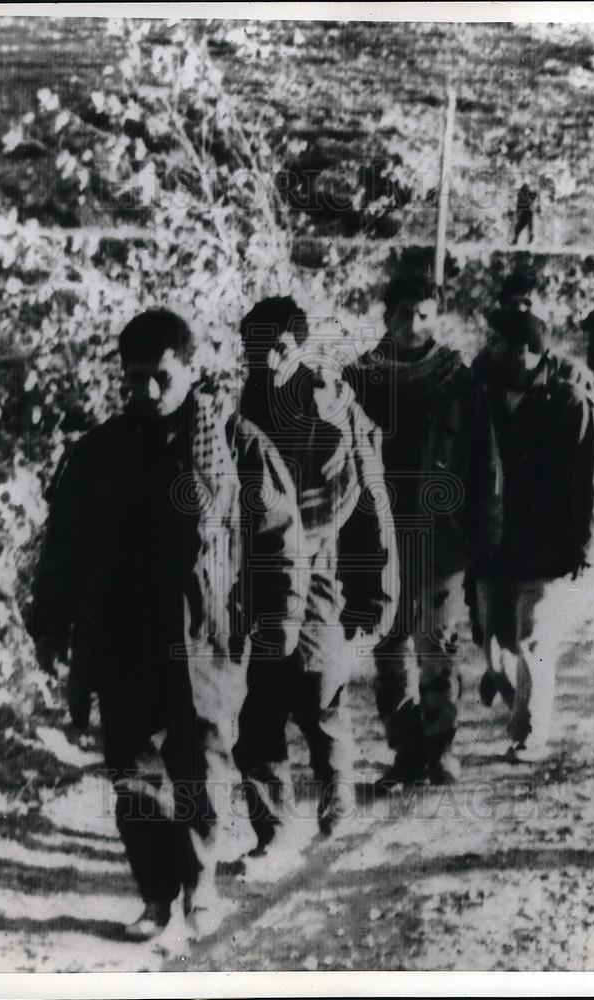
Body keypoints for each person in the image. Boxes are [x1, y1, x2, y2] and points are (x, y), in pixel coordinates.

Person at [26, 309, 304, 940]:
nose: (147, 392)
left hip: (205, 639)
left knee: (203, 773)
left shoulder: (236, 446)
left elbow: (281, 538)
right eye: (135, 380)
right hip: (123, 639)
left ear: (191, 369)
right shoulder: (99, 452)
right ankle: (156, 895)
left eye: (161, 378)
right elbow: (63, 546)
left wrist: (282, 620)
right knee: (133, 777)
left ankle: (201, 888)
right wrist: (49, 625)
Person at [233, 297, 397, 848]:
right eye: (258, 351)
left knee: (320, 698)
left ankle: (336, 800)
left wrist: (375, 590)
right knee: (256, 710)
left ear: (299, 345)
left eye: (279, 348)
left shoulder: (328, 405)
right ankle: (272, 831)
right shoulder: (252, 395)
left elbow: (361, 499)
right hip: (259, 573)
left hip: (319, 571)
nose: (270, 360)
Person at [344, 272, 503, 788]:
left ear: (437, 317)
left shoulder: (459, 380)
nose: (413, 325)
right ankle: (406, 750)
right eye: (403, 313)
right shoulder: (358, 380)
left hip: (440, 538)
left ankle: (441, 746)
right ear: (385, 316)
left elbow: (484, 462)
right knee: (389, 649)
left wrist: (484, 532)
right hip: (377, 538)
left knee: (437, 645)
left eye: (424, 314)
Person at [468, 291, 594, 762]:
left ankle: (529, 737)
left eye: (499, 339)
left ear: (526, 349)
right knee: (493, 643)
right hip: (492, 540)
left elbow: (588, 478)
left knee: (532, 641)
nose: (491, 346)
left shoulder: (568, 401)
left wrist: (582, 543)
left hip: (545, 544)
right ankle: (512, 691)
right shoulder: (483, 393)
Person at [512, 181, 539, 246]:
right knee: (521, 226)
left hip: (526, 212)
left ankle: (518, 238)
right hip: (525, 212)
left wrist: (531, 199)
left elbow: (535, 194)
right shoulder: (521, 194)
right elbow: (520, 204)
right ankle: (517, 238)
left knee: (523, 226)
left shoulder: (526, 193)